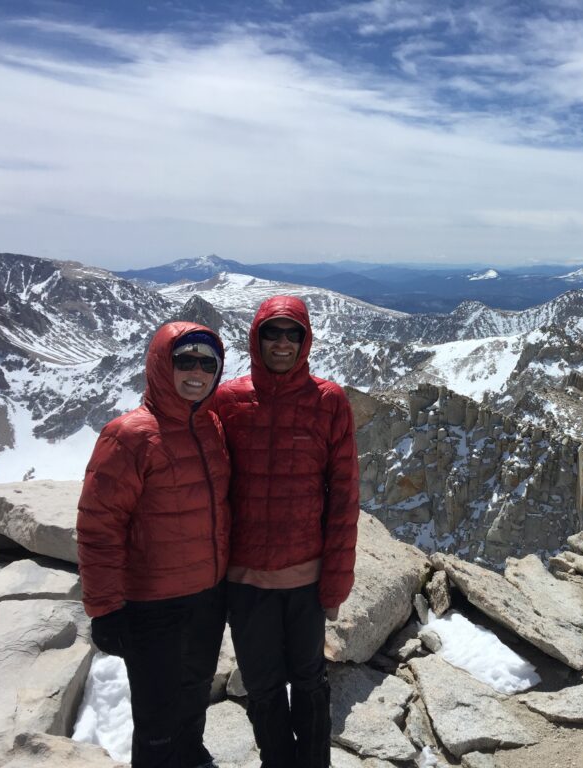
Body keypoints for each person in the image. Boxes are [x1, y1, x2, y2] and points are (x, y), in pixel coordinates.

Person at [213, 296, 359, 768]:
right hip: (244, 578)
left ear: (305, 340)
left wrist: (337, 579)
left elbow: (344, 496)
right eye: (272, 333)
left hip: (306, 578)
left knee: (310, 680)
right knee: (263, 684)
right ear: (256, 339)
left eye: (292, 333)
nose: (282, 342)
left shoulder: (328, 400)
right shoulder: (227, 400)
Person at [77, 322, 231, 768]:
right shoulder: (128, 435)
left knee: (196, 687)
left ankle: (192, 755)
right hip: (152, 603)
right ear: (163, 365)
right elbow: (98, 526)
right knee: (156, 710)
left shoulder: (212, 426)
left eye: (208, 363)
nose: (197, 372)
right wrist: (105, 608)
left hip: (208, 592)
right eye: (185, 361)